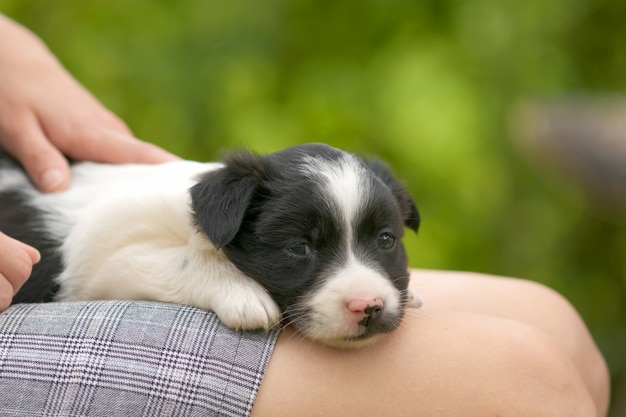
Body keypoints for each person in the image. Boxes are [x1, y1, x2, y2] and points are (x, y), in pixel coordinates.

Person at [0, 14, 610, 417]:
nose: (366, 291)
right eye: (301, 248)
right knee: (524, 381)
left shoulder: (219, 203)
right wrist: (210, 280)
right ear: (221, 228)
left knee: (552, 321)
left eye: (384, 242)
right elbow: (97, 267)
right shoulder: (170, 220)